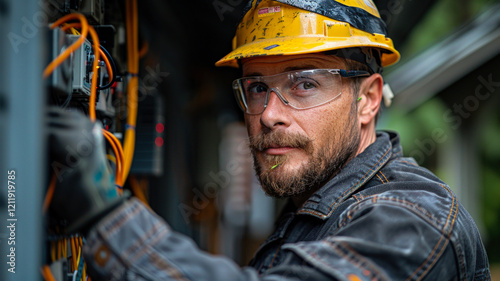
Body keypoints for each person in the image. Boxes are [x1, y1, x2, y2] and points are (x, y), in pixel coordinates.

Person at [48, 0, 491, 280]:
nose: (269, 115)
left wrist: (105, 211)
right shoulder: (317, 212)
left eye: (304, 84)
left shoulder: (411, 220)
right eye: (257, 88)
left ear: (368, 99)